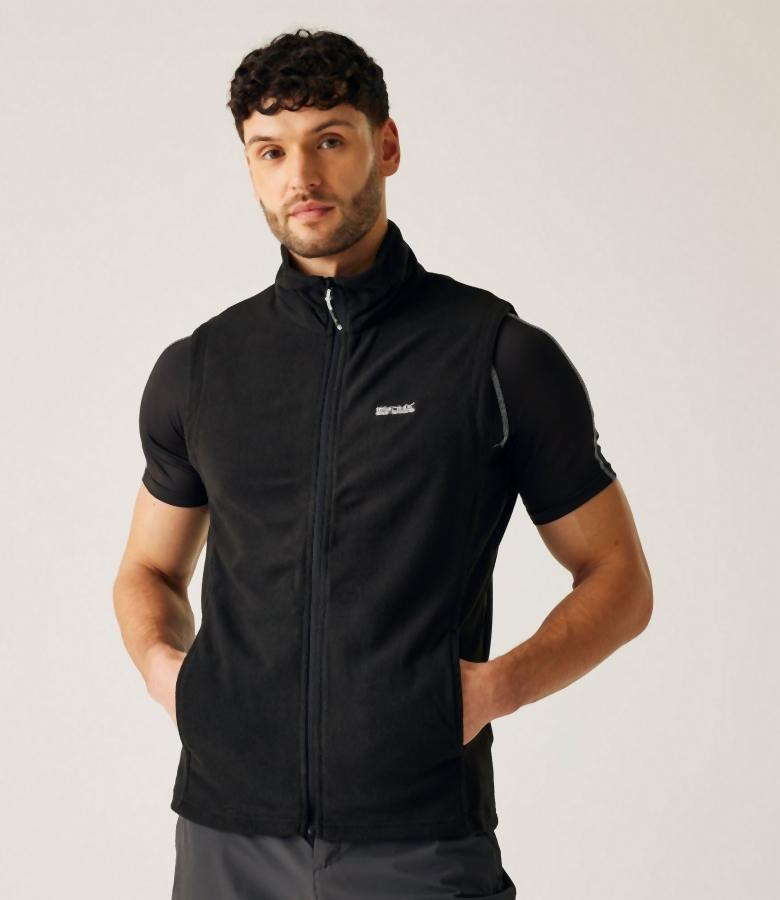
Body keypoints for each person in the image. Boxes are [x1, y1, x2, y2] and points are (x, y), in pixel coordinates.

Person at [112, 28, 653, 900]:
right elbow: (147, 567)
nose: (301, 176)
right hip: (224, 836)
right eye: (271, 151)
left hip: (420, 838)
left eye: (329, 139)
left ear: (386, 145)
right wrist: (167, 675)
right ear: (249, 166)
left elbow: (619, 578)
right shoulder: (201, 367)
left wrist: (497, 689)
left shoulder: (495, 355)